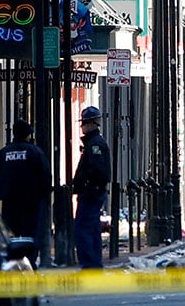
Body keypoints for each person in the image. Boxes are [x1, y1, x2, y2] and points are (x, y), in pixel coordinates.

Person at [0, 119, 51, 268]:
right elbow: (46, 177)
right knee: (31, 235)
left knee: (11, 236)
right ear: (28, 134)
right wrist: (42, 196)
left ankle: (14, 264)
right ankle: (30, 263)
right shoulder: (35, 152)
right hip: (32, 203)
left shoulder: (4, 153)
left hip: (10, 203)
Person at [73, 106, 111, 269]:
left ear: (93, 124)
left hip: (91, 192)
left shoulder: (95, 145)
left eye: (85, 123)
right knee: (92, 228)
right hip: (91, 191)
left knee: (83, 228)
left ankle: (89, 263)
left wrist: (84, 183)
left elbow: (97, 170)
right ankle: (94, 262)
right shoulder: (93, 144)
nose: (83, 127)